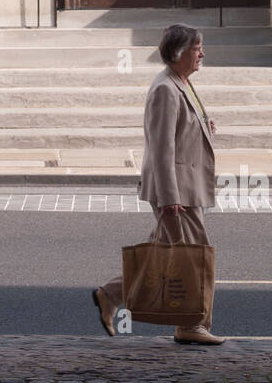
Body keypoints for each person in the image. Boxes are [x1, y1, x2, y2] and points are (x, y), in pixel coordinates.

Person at [93, 23, 226, 345]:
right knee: (194, 258)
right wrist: (169, 199)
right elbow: (160, 147)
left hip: (186, 186)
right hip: (177, 191)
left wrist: (203, 127)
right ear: (180, 53)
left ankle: (110, 295)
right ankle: (191, 325)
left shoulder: (181, 83)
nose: (202, 54)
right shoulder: (166, 88)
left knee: (162, 254)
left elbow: (181, 131)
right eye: (197, 49)